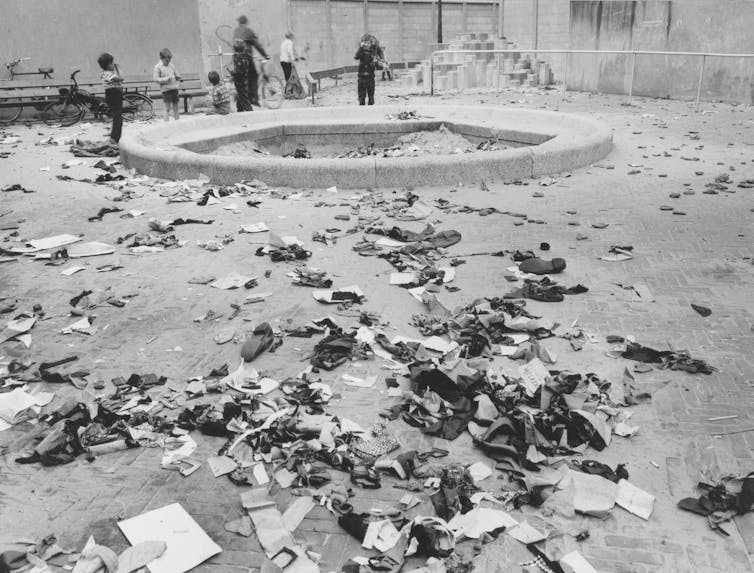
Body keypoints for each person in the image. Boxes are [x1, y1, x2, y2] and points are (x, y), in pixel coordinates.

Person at [233, 15, 269, 106]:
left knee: (243, 77)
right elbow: (257, 45)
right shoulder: (248, 31)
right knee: (254, 76)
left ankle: (244, 98)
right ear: (246, 22)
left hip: (237, 58)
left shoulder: (236, 31)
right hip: (246, 57)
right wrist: (265, 55)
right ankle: (253, 98)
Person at [97, 53, 123, 143]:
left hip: (112, 94)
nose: (114, 65)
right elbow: (121, 78)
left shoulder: (106, 73)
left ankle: (114, 133)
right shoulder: (108, 74)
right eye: (112, 63)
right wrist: (118, 68)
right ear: (108, 65)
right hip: (114, 94)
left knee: (117, 115)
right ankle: (115, 137)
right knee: (117, 116)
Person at [153, 48, 182, 121]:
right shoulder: (158, 67)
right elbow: (155, 79)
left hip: (174, 88)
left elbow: (176, 74)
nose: (168, 62)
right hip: (166, 90)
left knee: (176, 108)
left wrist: (178, 77)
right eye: (166, 60)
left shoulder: (171, 65)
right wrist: (165, 79)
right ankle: (166, 124)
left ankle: (177, 123)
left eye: (169, 60)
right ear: (161, 58)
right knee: (167, 108)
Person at [354, 36, 377, 106]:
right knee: (361, 98)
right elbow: (356, 56)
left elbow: (377, 65)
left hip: (370, 77)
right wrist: (361, 48)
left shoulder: (373, 53)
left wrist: (376, 63)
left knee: (371, 97)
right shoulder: (361, 52)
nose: (367, 44)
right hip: (362, 77)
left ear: (370, 44)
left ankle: (370, 113)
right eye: (365, 43)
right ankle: (362, 113)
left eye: (368, 43)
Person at [231, 39, 253, 111]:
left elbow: (239, 71)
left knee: (243, 96)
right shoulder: (244, 56)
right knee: (240, 93)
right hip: (244, 78)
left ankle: (249, 110)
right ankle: (239, 108)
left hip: (240, 80)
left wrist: (233, 73)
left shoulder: (238, 58)